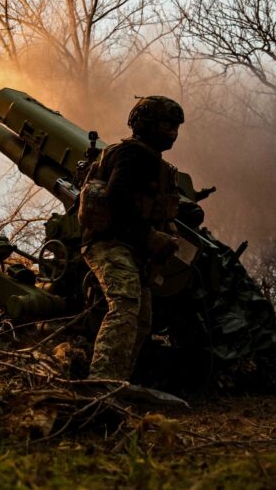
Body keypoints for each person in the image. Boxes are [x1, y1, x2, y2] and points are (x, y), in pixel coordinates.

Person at [80, 96, 185, 380]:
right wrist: (150, 236)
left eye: (176, 127)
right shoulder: (131, 155)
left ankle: (118, 381)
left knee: (141, 319)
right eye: (167, 125)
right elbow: (117, 198)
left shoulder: (152, 161)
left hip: (133, 248)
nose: (173, 133)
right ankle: (102, 383)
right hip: (109, 243)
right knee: (125, 306)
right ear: (147, 123)